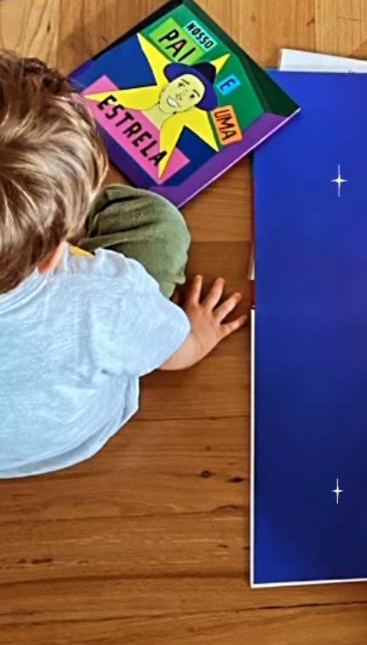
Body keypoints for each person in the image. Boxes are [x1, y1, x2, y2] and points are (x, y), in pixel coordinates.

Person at [0, 51, 245, 478]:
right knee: (158, 224)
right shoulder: (105, 299)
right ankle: (55, 213)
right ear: (54, 254)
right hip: (71, 435)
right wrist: (196, 339)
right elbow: (170, 353)